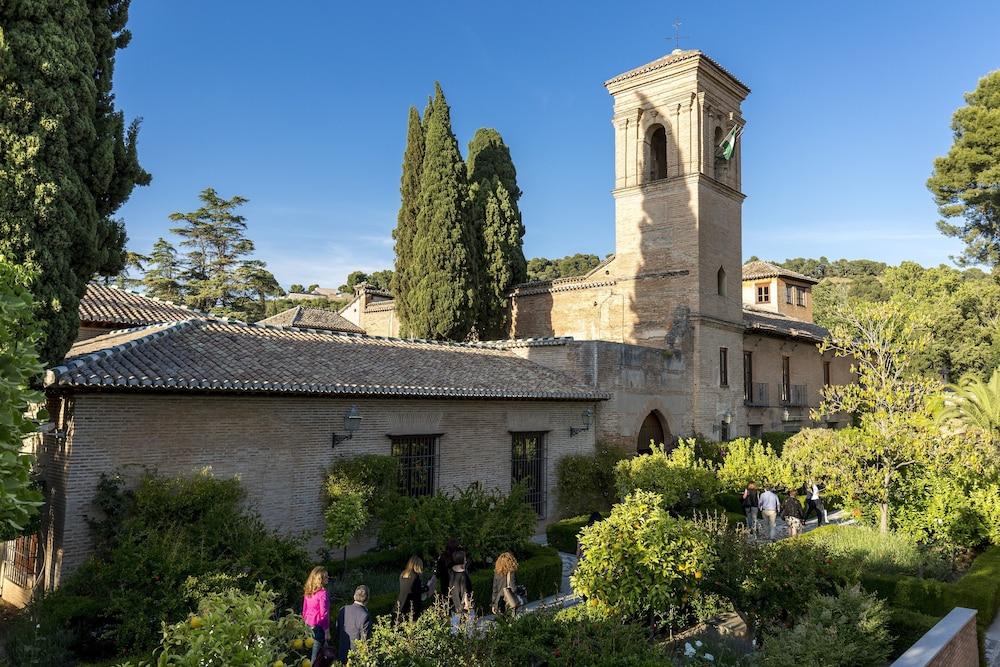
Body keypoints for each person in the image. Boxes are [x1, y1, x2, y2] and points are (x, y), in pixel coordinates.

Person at [336, 585, 372, 665]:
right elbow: (365, 640)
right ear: (367, 598)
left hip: (342, 651)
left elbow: (338, 631)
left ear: (354, 596)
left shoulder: (343, 609)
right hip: (355, 656)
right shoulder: (365, 615)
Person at [302, 566, 330, 665]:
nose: (328, 578)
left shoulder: (308, 591)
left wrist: (304, 625)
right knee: (315, 657)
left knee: (308, 655)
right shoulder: (322, 593)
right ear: (320, 580)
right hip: (319, 627)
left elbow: (304, 610)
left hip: (308, 626)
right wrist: (326, 630)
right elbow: (324, 614)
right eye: (326, 577)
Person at [396, 555, 434, 621]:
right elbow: (417, 591)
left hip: (401, 602)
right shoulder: (415, 576)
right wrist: (426, 588)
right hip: (412, 604)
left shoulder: (403, 574)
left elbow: (408, 588)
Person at [447, 550, 474, 628]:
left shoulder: (451, 572)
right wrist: (467, 603)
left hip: (454, 604)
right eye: (464, 558)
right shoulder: (463, 575)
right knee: (467, 629)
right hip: (463, 605)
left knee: (454, 628)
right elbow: (465, 590)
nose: (466, 560)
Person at [491, 551, 522, 615]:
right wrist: (521, 590)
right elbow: (513, 589)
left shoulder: (497, 573)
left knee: (502, 623)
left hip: (499, 602)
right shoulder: (511, 573)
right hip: (509, 602)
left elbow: (495, 590)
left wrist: (493, 604)